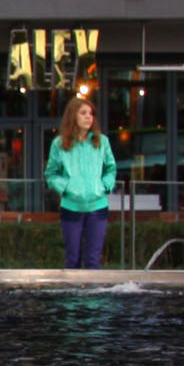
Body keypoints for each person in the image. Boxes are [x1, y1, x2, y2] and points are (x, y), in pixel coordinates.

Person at [44, 96, 117, 269]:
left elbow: (111, 169)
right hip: (71, 207)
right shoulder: (59, 143)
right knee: (72, 260)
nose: (88, 117)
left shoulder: (102, 141)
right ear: (73, 116)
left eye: (91, 113)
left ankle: (94, 296)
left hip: (98, 207)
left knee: (93, 261)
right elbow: (51, 173)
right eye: (83, 113)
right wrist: (67, 189)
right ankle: (73, 297)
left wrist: (104, 186)